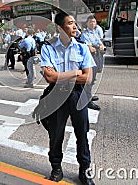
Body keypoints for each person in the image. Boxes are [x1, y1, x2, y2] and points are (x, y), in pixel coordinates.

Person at [40, 12, 95, 184]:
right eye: (70, 23)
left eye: (74, 23)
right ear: (60, 27)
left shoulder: (82, 48)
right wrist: (75, 72)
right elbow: (49, 78)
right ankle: (56, 168)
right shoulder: (48, 48)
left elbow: (88, 78)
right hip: (56, 95)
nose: (75, 26)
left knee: (82, 133)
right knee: (56, 134)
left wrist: (60, 75)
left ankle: (84, 170)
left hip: (78, 94)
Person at [80, 15, 105, 111]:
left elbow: (100, 43)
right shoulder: (85, 34)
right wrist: (96, 46)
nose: (92, 23)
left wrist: (100, 45)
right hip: (89, 58)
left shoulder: (95, 32)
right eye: (90, 22)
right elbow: (89, 47)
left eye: (94, 22)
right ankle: (87, 100)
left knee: (94, 77)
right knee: (89, 79)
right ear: (87, 23)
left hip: (96, 56)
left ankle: (88, 95)